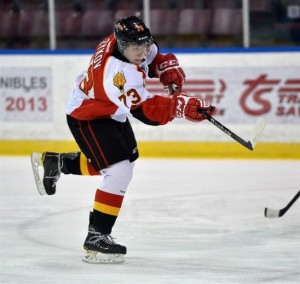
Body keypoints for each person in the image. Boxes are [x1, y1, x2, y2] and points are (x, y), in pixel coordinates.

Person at [31, 16, 215, 264]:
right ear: (121, 45)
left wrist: (164, 67)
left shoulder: (123, 42)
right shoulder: (118, 75)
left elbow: (154, 55)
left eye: (144, 45)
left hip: (109, 110)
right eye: (135, 48)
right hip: (87, 115)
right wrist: (179, 106)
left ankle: (58, 163)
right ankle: (97, 236)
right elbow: (148, 113)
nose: (141, 52)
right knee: (118, 170)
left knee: (121, 160)